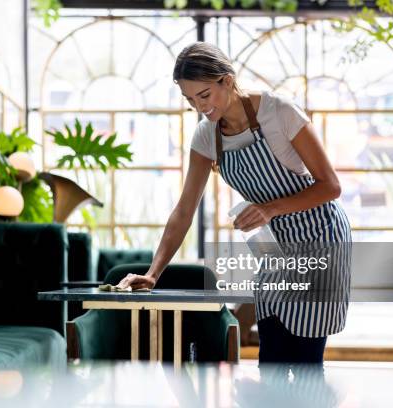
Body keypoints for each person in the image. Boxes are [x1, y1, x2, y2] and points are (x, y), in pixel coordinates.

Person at [116, 42, 351, 364]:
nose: (200, 107)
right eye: (190, 100)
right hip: (275, 247)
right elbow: (184, 211)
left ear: (227, 81)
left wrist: (269, 209)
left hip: (320, 237)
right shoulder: (206, 137)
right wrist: (154, 274)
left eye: (204, 95)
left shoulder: (279, 112)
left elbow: (331, 186)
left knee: (305, 354)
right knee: (272, 353)